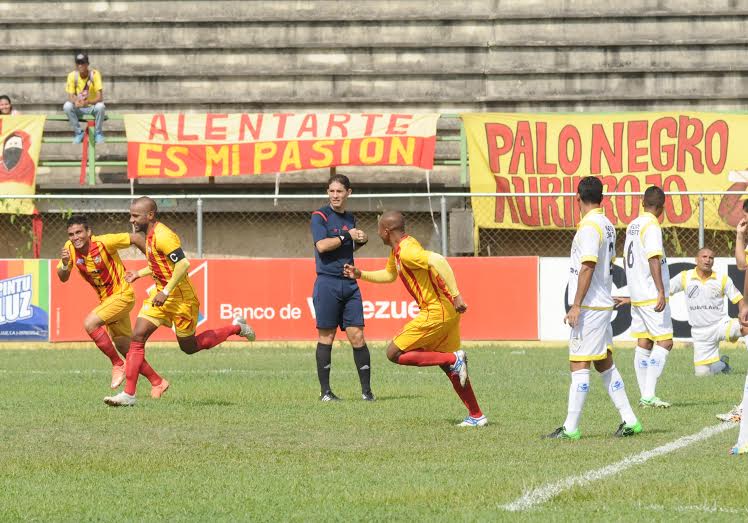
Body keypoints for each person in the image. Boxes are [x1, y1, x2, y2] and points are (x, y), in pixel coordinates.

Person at [103, 197, 256, 407]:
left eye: (135, 216)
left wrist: (166, 291)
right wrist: (139, 273)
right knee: (137, 337)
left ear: (150, 215)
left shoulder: (164, 236)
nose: (132, 220)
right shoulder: (147, 236)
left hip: (181, 300)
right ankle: (129, 395)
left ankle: (237, 327)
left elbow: (183, 264)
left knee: (190, 346)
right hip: (160, 296)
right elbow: (160, 264)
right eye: (131, 215)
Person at [343, 211, 487, 427]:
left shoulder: (408, 251)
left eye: (379, 229)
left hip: (436, 311)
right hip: (445, 312)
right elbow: (390, 275)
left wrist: (457, 294)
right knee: (451, 368)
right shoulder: (399, 249)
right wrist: (361, 274)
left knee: (394, 352)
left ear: (386, 231)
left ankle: (453, 359)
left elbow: (438, 260)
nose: (377, 233)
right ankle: (476, 415)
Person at [544, 177, 641, 440]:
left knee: (578, 363)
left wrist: (576, 305)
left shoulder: (590, 227)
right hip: (601, 303)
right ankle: (630, 420)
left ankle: (571, 428)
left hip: (589, 306)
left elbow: (587, 265)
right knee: (603, 363)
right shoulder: (607, 225)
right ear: (602, 198)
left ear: (577, 198)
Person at [56, 214, 167, 396]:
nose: (75, 237)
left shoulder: (104, 243)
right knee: (125, 347)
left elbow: (135, 237)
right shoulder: (69, 249)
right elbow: (62, 277)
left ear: (89, 232)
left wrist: (153, 260)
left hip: (122, 295)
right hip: (108, 302)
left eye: (79, 232)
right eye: (71, 234)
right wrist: (66, 264)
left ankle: (117, 364)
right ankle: (157, 382)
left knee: (90, 323)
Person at [310, 174, 373, 401]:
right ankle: (325, 393)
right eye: (331, 191)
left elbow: (345, 248)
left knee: (358, 336)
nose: (335, 195)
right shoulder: (320, 216)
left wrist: (361, 241)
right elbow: (323, 246)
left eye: (339, 191)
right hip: (327, 283)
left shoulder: (350, 218)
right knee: (326, 336)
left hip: (350, 284)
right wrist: (348, 235)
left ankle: (367, 393)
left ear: (349, 192)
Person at [623, 186, 673, 408]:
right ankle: (649, 394)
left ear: (642, 203)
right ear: (662, 207)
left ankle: (645, 394)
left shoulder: (633, 224)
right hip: (650, 293)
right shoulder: (652, 226)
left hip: (637, 291)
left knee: (644, 342)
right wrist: (660, 290)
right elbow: (653, 258)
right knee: (665, 341)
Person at [669, 248, 746, 376]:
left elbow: (739, 299)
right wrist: (633, 299)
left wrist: (743, 312)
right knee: (702, 374)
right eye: (704, 256)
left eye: (711, 258)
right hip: (701, 333)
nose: (707, 260)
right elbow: (663, 290)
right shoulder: (685, 277)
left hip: (721, 324)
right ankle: (723, 364)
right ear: (696, 259)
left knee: (746, 327)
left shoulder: (722, 279)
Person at [63, 53, 105, 144]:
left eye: (82, 63)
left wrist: (87, 102)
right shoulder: (72, 75)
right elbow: (70, 96)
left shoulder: (95, 74)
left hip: (92, 107)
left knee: (101, 106)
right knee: (67, 106)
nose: (80, 65)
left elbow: (100, 97)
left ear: (87, 64)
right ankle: (79, 133)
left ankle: (98, 133)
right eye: (78, 63)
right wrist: (76, 101)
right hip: (79, 107)